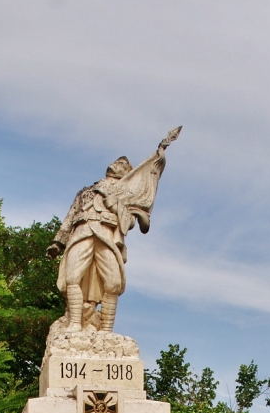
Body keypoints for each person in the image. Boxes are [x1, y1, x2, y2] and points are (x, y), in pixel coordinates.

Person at [47, 128, 181, 332]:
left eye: (123, 164)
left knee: (113, 283)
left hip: (107, 234)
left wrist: (112, 201)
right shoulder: (86, 191)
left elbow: (134, 223)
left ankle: (106, 329)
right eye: (117, 162)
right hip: (82, 231)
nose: (118, 163)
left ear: (128, 173)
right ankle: (75, 323)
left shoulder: (127, 193)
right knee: (71, 277)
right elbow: (70, 217)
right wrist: (58, 242)